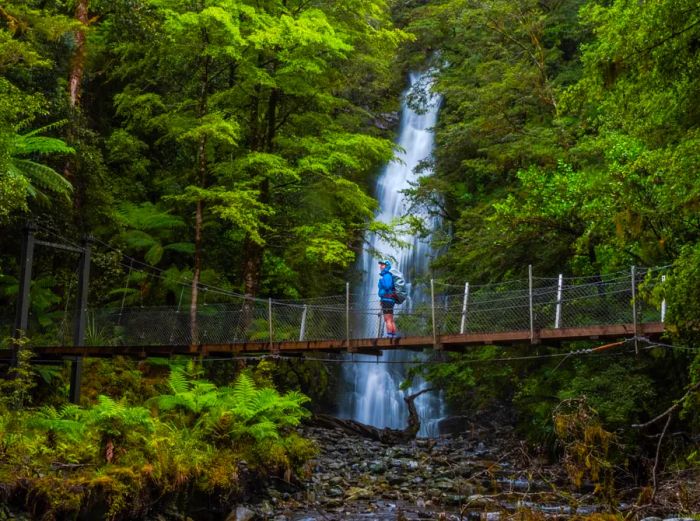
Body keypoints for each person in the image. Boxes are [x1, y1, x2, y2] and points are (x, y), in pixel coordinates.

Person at [377, 260, 398, 338]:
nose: (380, 266)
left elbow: (387, 286)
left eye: (382, 265)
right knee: (390, 318)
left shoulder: (387, 275)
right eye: (380, 265)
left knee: (387, 319)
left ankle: (389, 335)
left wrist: (381, 281)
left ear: (386, 266)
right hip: (389, 299)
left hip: (387, 299)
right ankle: (393, 335)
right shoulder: (387, 275)